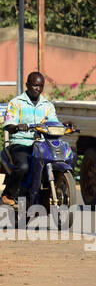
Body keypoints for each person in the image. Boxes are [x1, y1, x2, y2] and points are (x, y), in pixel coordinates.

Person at [2, 72, 58, 206]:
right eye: (34, 85)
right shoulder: (16, 103)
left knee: (60, 160)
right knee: (23, 166)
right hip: (21, 143)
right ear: (27, 85)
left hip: (42, 145)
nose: (38, 89)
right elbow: (9, 125)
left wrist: (65, 125)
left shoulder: (48, 105)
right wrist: (16, 126)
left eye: (41, 86)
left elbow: (54, 123)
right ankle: (8, 194)